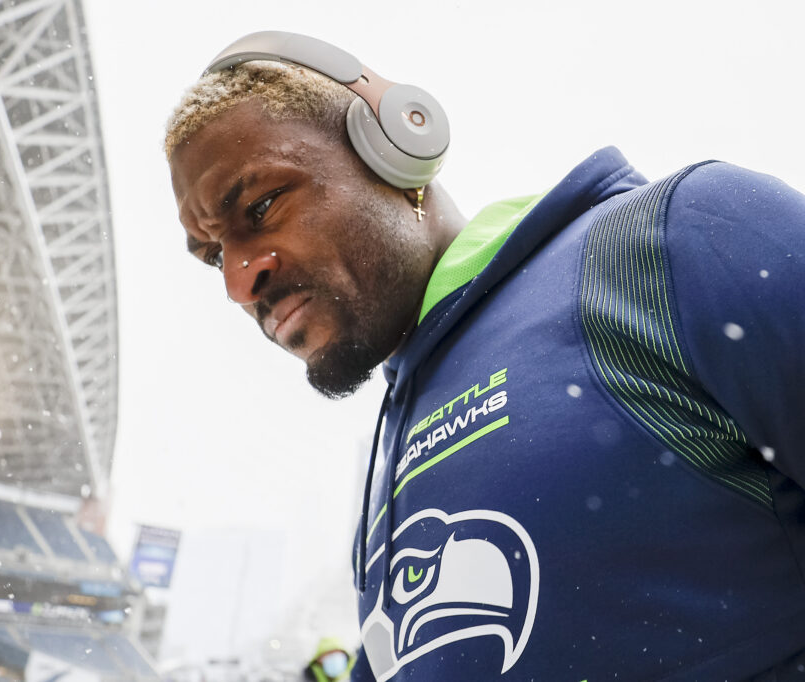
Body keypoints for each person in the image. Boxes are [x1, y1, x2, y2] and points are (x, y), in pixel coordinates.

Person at [166, 32, 805, 680]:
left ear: (395, 148)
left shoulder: (679, 243)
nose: (238, 281)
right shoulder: (387, 469)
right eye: (214, 254)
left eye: (262, 205)